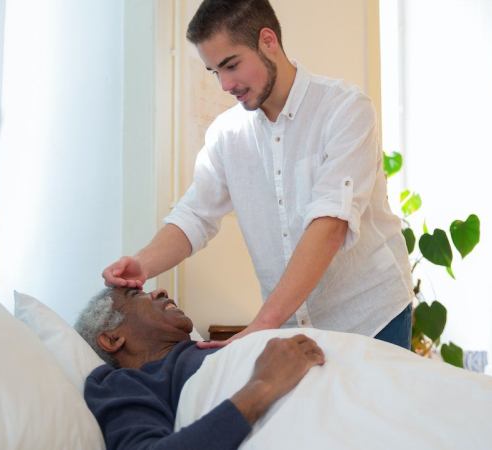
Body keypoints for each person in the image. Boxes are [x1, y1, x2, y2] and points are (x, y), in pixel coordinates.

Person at [102, 0, 413, 349]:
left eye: (231, 65)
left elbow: (330, 225)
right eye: (214, 71)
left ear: (268, 41)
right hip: (292, 325)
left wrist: (263, 324)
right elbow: (194, 216)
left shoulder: (345, 109)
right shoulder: (226, 135)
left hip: (370, 317)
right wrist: (142, 264)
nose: (224, 84)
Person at [75, 287, 325, 450]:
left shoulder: (209, 351)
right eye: (134, 294)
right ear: (112, 339)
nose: (160, 291)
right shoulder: (121, 383)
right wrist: (263, 387)